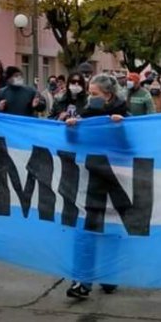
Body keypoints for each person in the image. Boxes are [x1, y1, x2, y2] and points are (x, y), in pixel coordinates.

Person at [63, 74, 127, 299]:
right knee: (85, 231)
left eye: (94, 94)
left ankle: (110, 276)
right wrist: (70, 129)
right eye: (89, 94)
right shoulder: (84, 116)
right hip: (88, 179)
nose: (90, 98)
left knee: (110, 230)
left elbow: (130, 148)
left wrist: (120, 128)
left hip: (115, 180)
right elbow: (72, 144)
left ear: (108, 95)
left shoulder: (123, 115)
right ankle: (82, 281)